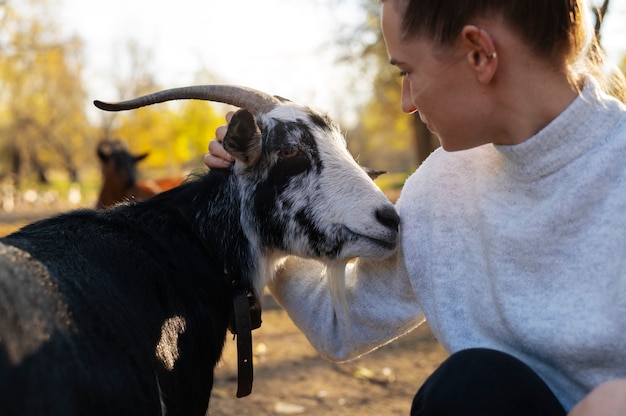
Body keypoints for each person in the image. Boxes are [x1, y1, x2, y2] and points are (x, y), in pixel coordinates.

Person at [205, 0, 626, 414]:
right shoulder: (441, 188)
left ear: (479, 54)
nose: (406, 101)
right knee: (472, 387)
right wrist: (265, 196)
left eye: (407, 71)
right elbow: (339, 321)